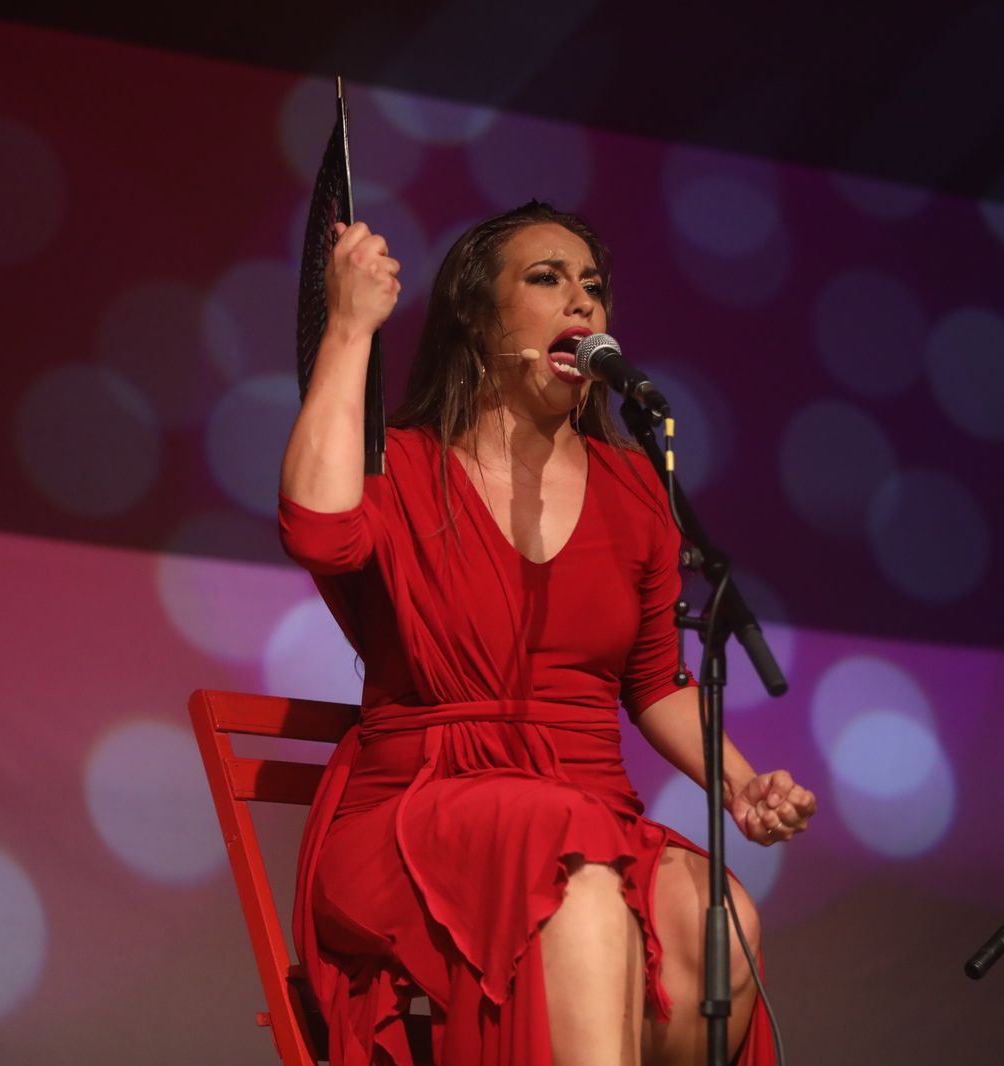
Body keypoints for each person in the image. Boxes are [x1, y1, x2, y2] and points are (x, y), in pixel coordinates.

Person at [278, 200, 816, 1066]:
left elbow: (655, 681)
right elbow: (316, 530)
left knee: (720, 921)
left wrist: (741, 785)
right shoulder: (406, 464)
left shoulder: (636, 490)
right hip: (421, 808)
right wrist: (350, 330)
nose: (582, 303)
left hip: (582, 807)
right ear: (476, 313)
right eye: (547, 279)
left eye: (594, 288)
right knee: (578, 876)